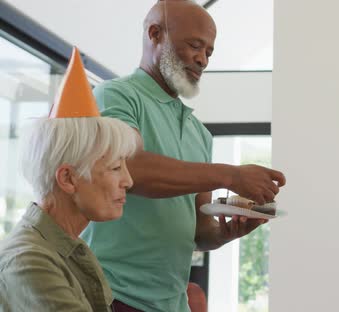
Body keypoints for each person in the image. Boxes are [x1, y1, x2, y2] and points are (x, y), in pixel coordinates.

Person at [80, 1, 286, 311]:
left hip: (171, 304)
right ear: (155, 34)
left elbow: (199, 233)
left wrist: (227, 232)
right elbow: (128, 168)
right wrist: (232, 175)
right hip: (111, 295)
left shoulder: (199, 135)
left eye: (209, 53)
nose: (202, 59)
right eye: (195, 45)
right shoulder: (115, 95)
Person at [0, 48, 138, 311]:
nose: (128, 181)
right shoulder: (28, 260)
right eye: (115, 167)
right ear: (67, 178)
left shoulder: (70, 247)